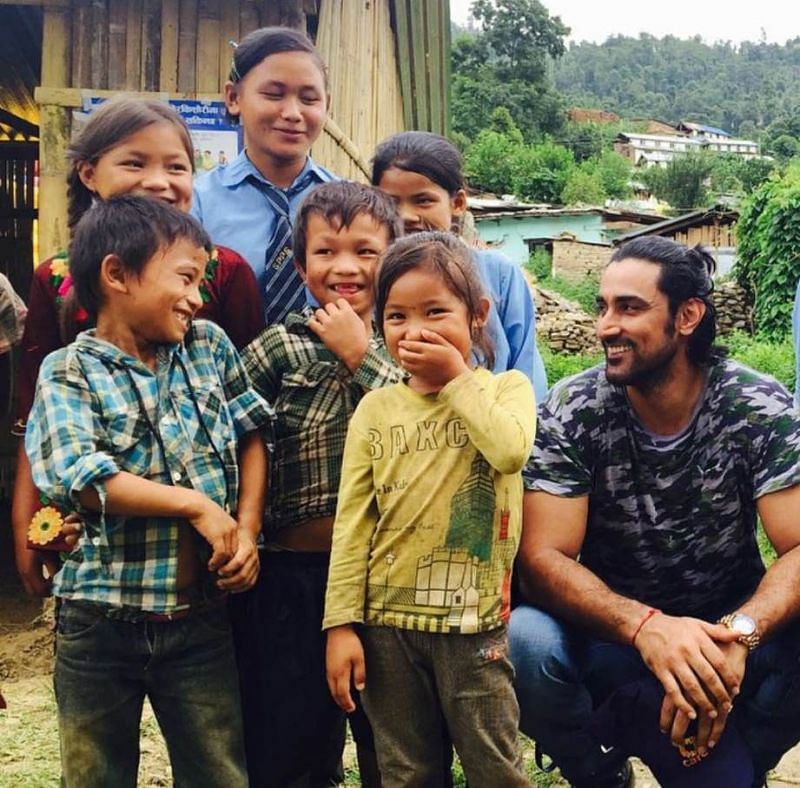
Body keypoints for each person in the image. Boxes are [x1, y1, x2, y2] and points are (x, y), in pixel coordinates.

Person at [509, 236, 800, 788]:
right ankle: (596, 769)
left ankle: (740, 755)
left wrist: (741, 634)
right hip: (608, 637)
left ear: (688, 315)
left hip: (726, 639)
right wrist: (645, 627)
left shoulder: (754, 402)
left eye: (629, 307)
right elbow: (542, 559)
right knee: (526, 642)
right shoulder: (574, 408)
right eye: (602, 306)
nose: (605, 326)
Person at [24, 196, 272, 788]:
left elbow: (252, 434)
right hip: (99, 621)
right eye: (185, 277)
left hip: (200, 619)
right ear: (116, 275)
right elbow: (80, 477)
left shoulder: (208, 346)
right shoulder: (67, 371)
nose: (197, 296)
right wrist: (199, 506)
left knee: (218, 771)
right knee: (95, 773)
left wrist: (247, 528)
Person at [12, 95, 264, 598]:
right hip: (104, 553)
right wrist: (29, 524)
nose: (157, 180)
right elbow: (37, 415)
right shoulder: (56, 278)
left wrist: (247, 529)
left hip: (208, 556)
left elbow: (248, 416)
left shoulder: (226, 272)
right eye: (134, 162)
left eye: (177, 166)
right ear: (89, 174)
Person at [324, 231, 536, 787]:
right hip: (385, 626)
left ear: (477, 315)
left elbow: (510, 450)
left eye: (435, 311)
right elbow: (353, 523)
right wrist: (341, 624)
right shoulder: (375, 408)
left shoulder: (505, 390)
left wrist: (459, 380)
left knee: (495, 766)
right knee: (406, 771)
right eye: (396, 316)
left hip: (473, 627)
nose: (415, 330)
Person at [237, 180, 402, 787]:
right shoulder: (279, 347)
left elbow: (434, 431)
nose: (345, 267)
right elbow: (228, 429)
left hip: (388, 581)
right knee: (288, 741)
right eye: (325, 252)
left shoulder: (412, 348)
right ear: (300, 262)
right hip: (291, 576)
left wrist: (365, 355)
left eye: (365, 250)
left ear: (394, 255)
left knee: (394, 744)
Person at [371, 130, 548, 403]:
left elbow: (527, 373)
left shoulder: (497, 274)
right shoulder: (371, 277)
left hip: (494, 435)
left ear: (457, 203)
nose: (406, 216)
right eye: (390, 203)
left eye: (423, 200)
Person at [192, 26, 336, 325]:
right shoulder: (197, 203)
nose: (293, 113)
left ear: (327, 106)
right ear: (233, 97)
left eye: (309, 99)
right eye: (273, 94)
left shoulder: (352, 204)